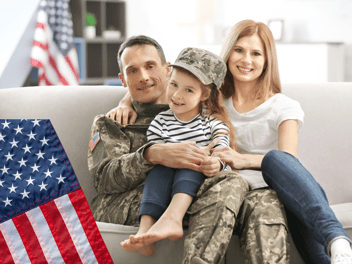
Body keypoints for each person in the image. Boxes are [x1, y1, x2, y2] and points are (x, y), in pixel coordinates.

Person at [106, 35, 292, 263]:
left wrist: (217, 160)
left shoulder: (206, 113)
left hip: (209, 184)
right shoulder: (117, 120)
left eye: (150, 66)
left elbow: (222, 145)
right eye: (132, 71)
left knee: (259, 201)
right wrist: (153, 154)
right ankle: (154, 225)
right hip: (154, 193)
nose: (143, 77)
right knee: (210, 176)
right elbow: (105, 178)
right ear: (122, 79)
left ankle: (174, 220)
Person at [120, 47, 237, 256]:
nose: (176, 95)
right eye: (173, 85)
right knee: (158, 170)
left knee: (193, 161)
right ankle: (145, 231)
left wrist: (216, 163)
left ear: (205, 94)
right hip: (166, 172)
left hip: (197, 173)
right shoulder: (160, 121)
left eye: (189, 90)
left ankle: (174, 218)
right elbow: (157, 150)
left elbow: (223, 150)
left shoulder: (212, 124)